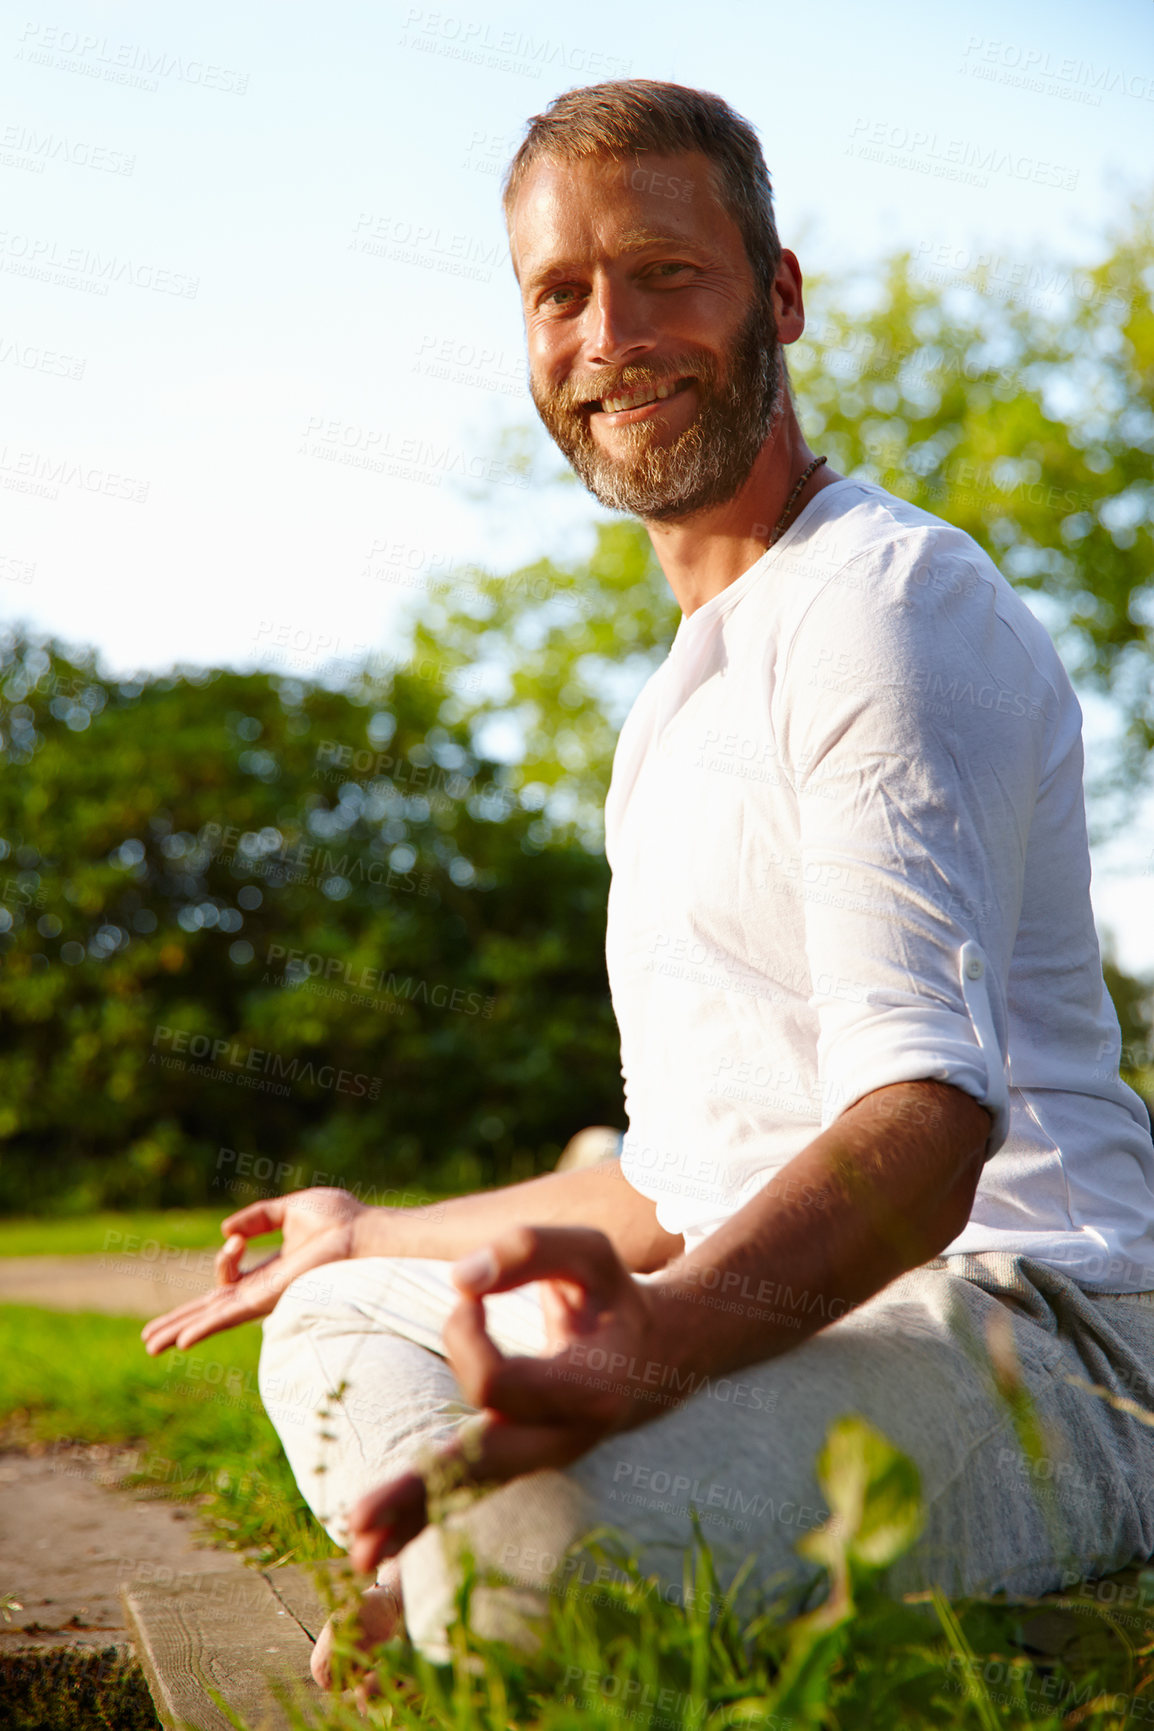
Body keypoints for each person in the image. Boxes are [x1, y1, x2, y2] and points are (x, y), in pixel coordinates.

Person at [143, 79, 1154, 1683]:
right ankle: (460, 1560)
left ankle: (487, 1570)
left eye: (662, 273)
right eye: (560, 292)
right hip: (771, 1303)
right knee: (341, 1317)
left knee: (539, 1556)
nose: (607, 332)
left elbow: (929, 1128)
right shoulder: (671, 706)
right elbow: (669, 1184)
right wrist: (367, 1230)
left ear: (779, 295)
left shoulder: (882, 608)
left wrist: (652, 1356)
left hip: (1033, 1330)